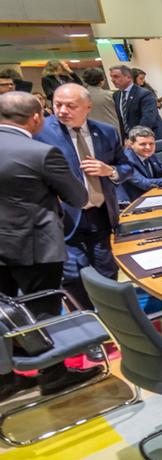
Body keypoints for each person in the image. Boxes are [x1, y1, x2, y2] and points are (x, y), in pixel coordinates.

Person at [0, 91, 98, 401]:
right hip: (34, 246)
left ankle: (6, 379)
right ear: (36, 117)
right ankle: (53, 374)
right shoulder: (41, 152)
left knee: (3, 312)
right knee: (41, 308)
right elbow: (78, 198)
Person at [33, 84, 133, 311]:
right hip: (64, 217)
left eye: (70, 105)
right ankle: (86, 319)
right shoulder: (40, 132)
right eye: (57, 104)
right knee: (73, 275)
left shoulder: (106, 131)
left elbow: (126, 167)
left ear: (88, 107)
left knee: (106, 271)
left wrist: (110, 171)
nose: (62, 110)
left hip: (101, 214)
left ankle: (110, 317)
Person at [121, 126, 162, 202]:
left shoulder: (149, 154)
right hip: (136, 202)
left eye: (151, 143)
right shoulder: (125, 161)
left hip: (155, 195)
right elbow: (144, 183)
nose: (148, 147)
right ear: (131, 144)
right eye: (143, 144)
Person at [109, 65, 162, 139]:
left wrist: (135, 138)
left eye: (116, 76)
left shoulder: (144, 93)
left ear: (128, 77)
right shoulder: (116, 95)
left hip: (150, 137)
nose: (112, 80)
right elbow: (122, 120)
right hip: (132, 140)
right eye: (111, 77)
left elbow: (148, 119)